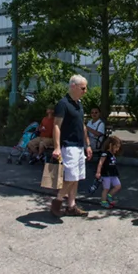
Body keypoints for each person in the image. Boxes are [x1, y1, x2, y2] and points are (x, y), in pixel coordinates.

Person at [49, 75, 90, 217]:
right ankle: (57, 201)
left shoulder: (79, 104)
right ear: (73, 86)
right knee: (71, 178)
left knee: (76, 177)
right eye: (83, 88)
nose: (85, 91)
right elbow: (56, 125)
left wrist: (87, 144)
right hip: (69, 146)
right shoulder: (63, 104)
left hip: (79, 146)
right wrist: (57, 147)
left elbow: (82, 125)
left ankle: (71, 206)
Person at [95, 134, 123, 209]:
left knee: (118, 186)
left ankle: (109, 195)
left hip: (113, 173)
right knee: (106, 188)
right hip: (106, 174)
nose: (117, 149)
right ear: (111, 145)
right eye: (116, 147)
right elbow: (100, 163)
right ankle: (103, 201)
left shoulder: (112, 154)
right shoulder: (105, 153)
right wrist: (98, 172)